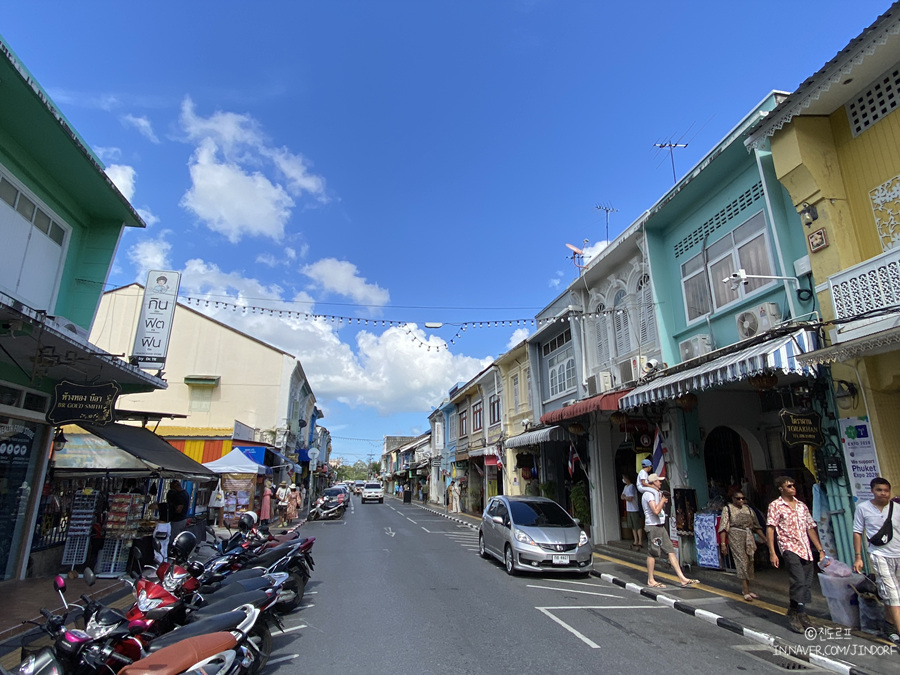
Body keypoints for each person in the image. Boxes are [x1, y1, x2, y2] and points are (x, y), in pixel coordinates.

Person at [766, 475, 827, 633]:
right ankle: (798, 614)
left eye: (793, 485)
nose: (793, 488)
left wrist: (820, 549)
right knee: (798, 580)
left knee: (806, 583)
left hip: (805, 549)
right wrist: (772, 552)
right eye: (789, 486)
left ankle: (797, 610)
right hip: (789, 547)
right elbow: (771, 528)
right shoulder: (776, 506)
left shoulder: (802, 506)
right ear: (781, 488)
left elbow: (810, 527)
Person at [853, 477, 900, 646]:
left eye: (886, 491)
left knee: (892, 595)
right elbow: (857, 532)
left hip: (898, 555)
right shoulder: (863, 508)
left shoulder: (897, 509)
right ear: (872, 490)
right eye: (879, 490)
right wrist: (858, 557)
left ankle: (889, 627)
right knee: (893, 594)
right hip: (879, 555)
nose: (883, 494)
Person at [641, 473, 699, 588]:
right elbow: (655, 511)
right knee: (653, 553)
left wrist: (662, 501)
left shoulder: (655, 494)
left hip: (660, 526)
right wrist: (662, 501)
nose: (660, 483)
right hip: (653, 527)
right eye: (658, 481)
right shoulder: (648, 494)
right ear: (653, 482)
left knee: (670, 551)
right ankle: (651, 579)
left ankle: (682, 578)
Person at [718, 489, 765, 601]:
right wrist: (723, 544)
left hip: (748, 535)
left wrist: (765, 538)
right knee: (741, 561)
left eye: (743, 498)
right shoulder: (728, 509)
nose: (741, 500)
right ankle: (745, 590)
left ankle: (747, 588)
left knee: (750, 560)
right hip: (735, 535)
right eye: (738, 498)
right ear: (733, 499)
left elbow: (756, 526)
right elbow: (723, 527)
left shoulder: (748, 509)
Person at [621, 474, 643, 550]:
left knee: (637, 525)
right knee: (632, 526)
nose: (623, 479)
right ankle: (635, 540)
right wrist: (625, 497)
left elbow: (630, 498)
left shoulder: (632, 487)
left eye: (624, 478)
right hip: (629, 509)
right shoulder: (626, 487)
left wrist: (625, 497)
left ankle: (640, 541)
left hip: (634, 509)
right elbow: (622, 496)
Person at [166, 480, 190, 546]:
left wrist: (171, 508)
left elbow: (179, 509)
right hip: (182, 519)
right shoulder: (185, 493)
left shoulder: (180, 495)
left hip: (177, 520)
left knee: (174, 538)